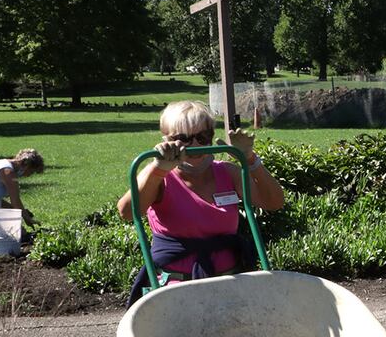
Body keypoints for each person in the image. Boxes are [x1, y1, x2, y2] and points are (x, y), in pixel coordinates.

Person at [118, 100, 285, 302]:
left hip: (229, 283)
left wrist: (249, 159)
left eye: (202, 137)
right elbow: (127, 212)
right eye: (183, 139)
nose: (195, 145)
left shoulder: (228, 172)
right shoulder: (160, 178)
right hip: (176, 290)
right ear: (166, 140)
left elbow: (274, 202)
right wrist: (157, 169)